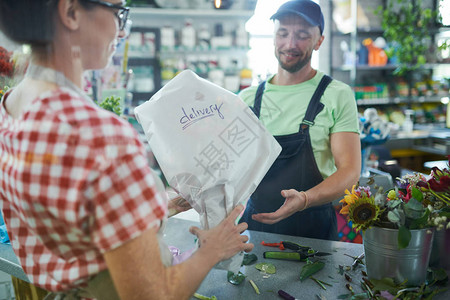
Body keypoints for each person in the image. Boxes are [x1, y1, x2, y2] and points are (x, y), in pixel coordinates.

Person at [0, 1, 253, 299]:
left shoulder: (12, 106)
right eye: (117, 11)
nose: (121, 31)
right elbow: (154, 295)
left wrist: (162, 204)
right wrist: (212, 250)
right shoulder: (102, 136)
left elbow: (80, 217)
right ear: (70, 12)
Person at [239, 0, 361, 240]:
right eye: (282, 33)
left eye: (302, 35)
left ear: (319, 41)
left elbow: (350, 171)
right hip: (255, 227)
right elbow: (230, 165)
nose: (290, 44)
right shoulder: (247, 98)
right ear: (273, 37)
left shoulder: (337, 94)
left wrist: (305, 199)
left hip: (314, 228)